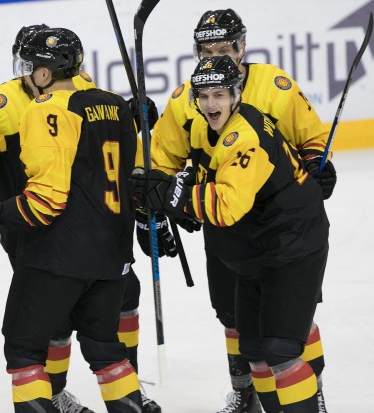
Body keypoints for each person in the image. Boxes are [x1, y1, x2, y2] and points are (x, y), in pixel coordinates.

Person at [0, 24, 161, 413]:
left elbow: (46, 202)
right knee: (105, 348)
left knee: (24, 349)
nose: (25, 72)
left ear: (44, 73)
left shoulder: (45, 109)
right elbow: (136, 176)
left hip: (54, 254)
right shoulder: (112, 101)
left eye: (30, 66)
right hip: (112, 255)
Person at [146, 9, 335, 413]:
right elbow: (161, 160)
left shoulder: (274, 87)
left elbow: (311, 137)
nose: (217, 56)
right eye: (207, 50)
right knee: (236, 320)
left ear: (242, 47)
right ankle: (248, 390)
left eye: (225, 48)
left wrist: (319, 165)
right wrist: (156, 207)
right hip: (227, 230)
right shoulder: (188, 100)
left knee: (287, 329)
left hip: (280, 227)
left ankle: (307, 386)